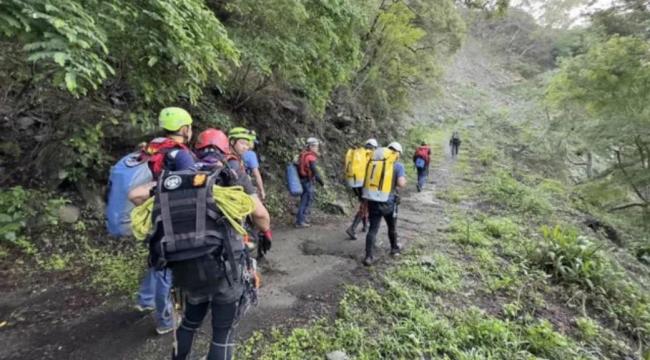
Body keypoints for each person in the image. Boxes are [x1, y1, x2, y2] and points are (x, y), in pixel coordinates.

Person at [129, 128, 272, 360]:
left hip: (186, 265)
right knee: (222, 333)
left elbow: (135, 195)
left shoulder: (182, 174)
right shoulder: (230, 173)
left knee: (189, 324)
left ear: (197, 149)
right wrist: (262, 231)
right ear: (227, 148)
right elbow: (262, 217)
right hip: (225, 265)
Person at [135, 107, 196, 335]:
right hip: (171, 213)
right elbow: (190, 185)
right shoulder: (181, 154)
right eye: (190, 127)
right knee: (166, 267)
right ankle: (165, 320)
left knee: (156, 257)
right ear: (184, 129)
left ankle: (144, 299)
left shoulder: (155, 146)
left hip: (153, 209)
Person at [363, 142, 407, 266]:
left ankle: (368, 257)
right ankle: (394, 249)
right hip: (389, 203)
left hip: (373, 201)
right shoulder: (397, 165)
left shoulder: (373, 163)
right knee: (392, 227)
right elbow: (401, 184)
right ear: (397, 153)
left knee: (373, 229)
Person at [345, 138, 379, 240]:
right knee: (365, 206)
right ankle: (352, 228)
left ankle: (365, 226)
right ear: (374, 147)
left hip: (355, 183)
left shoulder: (358, 153)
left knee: (364, 204)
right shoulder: (369, 156)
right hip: (364, 185)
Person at [296, 137, 324, 228]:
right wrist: (322, 182)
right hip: (307, 181)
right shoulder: (310, 157)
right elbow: (315, 172)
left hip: (303, 180)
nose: (317, 148)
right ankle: (301, 221)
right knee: (306, 200)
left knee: (304, 200)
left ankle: (301, 219)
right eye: (316, 146)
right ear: (311, 147)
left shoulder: (303, 154)